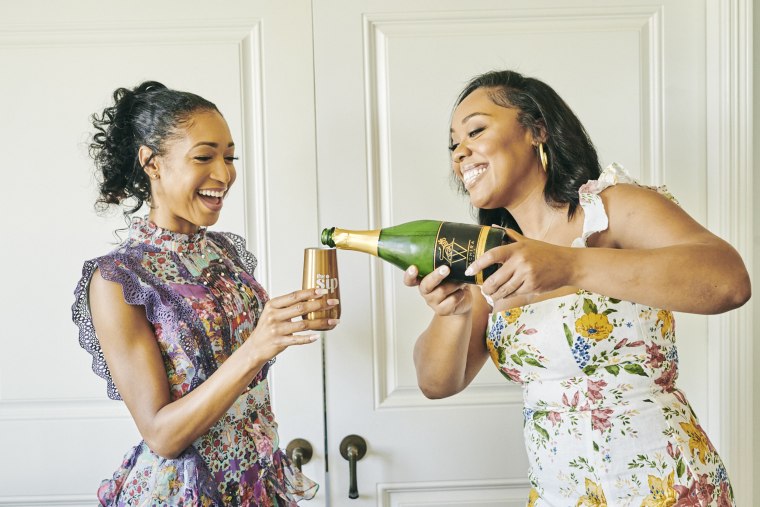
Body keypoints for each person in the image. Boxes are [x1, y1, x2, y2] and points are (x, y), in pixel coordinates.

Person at [404, 70, 750, 506]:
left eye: (475, 130)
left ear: (537, 129)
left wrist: (569, 264)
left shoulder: (614, 209)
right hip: (561, 495)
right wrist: (450, 315)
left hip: (668, 487)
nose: (460, 153)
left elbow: (728, 282)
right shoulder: (488, 256)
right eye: (453, 144)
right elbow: (437, 383)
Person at [72, 81, 337, 506]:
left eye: (230, 157)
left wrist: (284, 326)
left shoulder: (224, 252)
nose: (225, 173)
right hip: (186, 492)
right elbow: (162, 435)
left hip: (254, 480)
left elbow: (231, 356)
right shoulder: (119, 280)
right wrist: (257, 346)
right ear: (151, 163)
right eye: (204, 157)